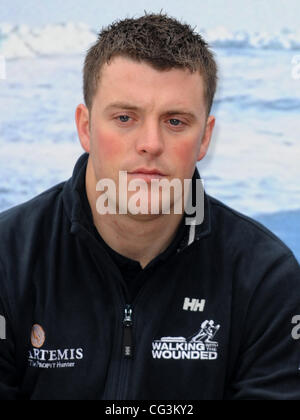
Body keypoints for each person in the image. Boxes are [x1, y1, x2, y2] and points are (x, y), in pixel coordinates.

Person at [0, 12, 300, 401]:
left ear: (205, 138)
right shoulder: (8, 260)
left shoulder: (266, 281)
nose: (150, 143)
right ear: (85, 127)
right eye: (125, 117)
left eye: (175, 121)